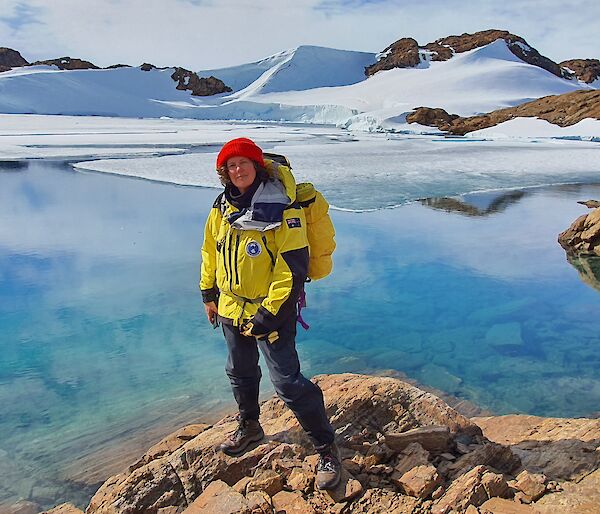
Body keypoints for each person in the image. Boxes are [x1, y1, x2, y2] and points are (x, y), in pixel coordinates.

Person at [200, 137, 341, 490]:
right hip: (231, 305)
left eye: (243, 163)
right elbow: (210, 252)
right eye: (230, 166)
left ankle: (326, 448)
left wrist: (268, 312)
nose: (237, 170)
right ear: (224, 174)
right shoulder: (221, 208)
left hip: (271, 310)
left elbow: (291, 268)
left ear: (257, 166)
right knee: (240, 371)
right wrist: (208, 293)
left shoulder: (283, 209)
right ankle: (250, 426)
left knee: (288, 383)